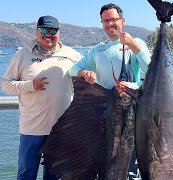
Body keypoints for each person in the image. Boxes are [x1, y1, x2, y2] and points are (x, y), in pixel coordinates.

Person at [68, 3, 151, 179]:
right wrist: (84, 72)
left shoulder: (138, 43)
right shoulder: (98, 50)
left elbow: (152, 70)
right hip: (105, 114)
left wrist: (133, 45)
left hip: (132, 112)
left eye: (113, 19)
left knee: (131, 164)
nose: (109, 24)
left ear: (122, 20)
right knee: (106, 161)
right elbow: (72, 70)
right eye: (105, 21)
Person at [1, 15, 82, 180]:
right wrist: (31, 85)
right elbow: (6, 85)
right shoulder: (22, 54)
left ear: (59, 33)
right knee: (26, 174)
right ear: (37, 31)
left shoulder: (71, 54)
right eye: (44, 30)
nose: (48, 34)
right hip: (32, 129)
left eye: (53, 30)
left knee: (54, 175)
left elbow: (88, 73)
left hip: (60, 130)